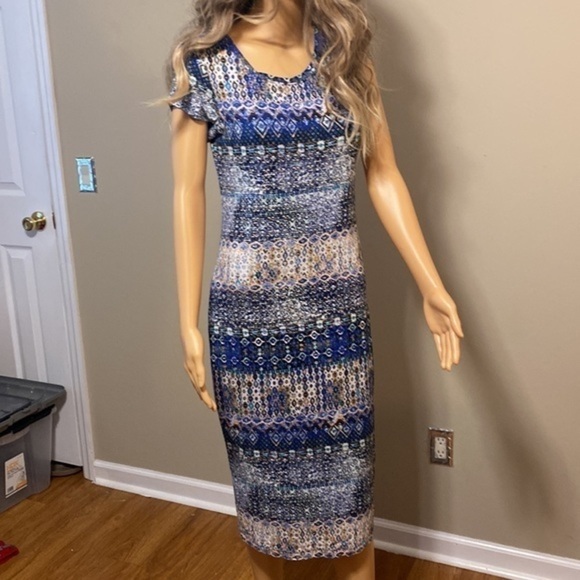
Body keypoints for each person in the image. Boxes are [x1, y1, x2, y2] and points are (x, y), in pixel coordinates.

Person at [163, 1, 464, 578]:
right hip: (248, 329)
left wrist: (431, 284)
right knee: (267, 516)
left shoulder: (346, 58)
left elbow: (383, 172)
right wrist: (188, 324)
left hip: (337, 329)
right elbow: (186, 193)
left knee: (349, 512)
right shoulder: (201, 64)